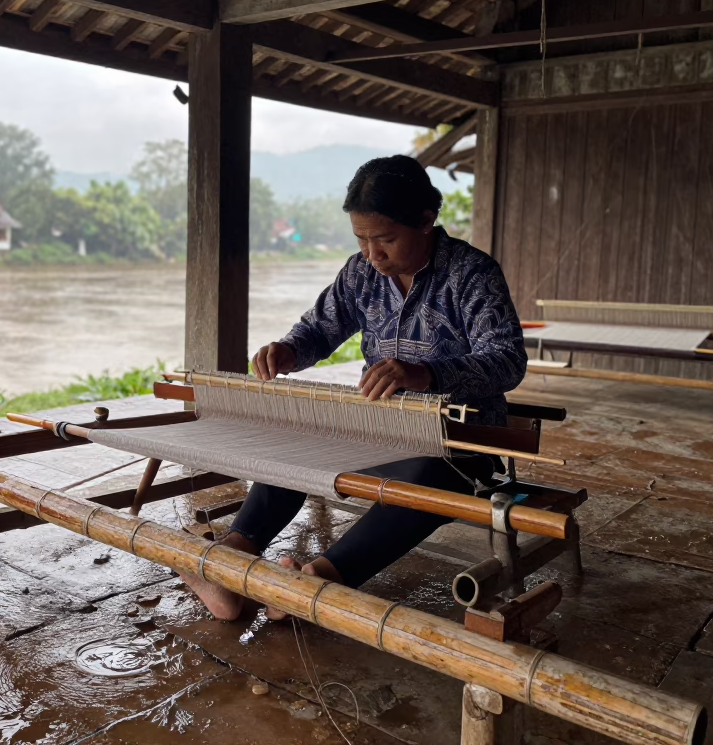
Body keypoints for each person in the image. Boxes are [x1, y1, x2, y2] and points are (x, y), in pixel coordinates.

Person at [179, 154, 528, 621]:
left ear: (425, 220)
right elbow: (319, 329)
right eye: (361, 239)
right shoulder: (361, 274)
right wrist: (288, 350)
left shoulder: (471, 274)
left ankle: (320, 579)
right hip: (380, 427)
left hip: (458, 439)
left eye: (386, 239)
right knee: (300, 438)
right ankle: (231, 558)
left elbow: (508, 360)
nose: (372, 254)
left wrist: (427, 374)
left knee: (431, 476)